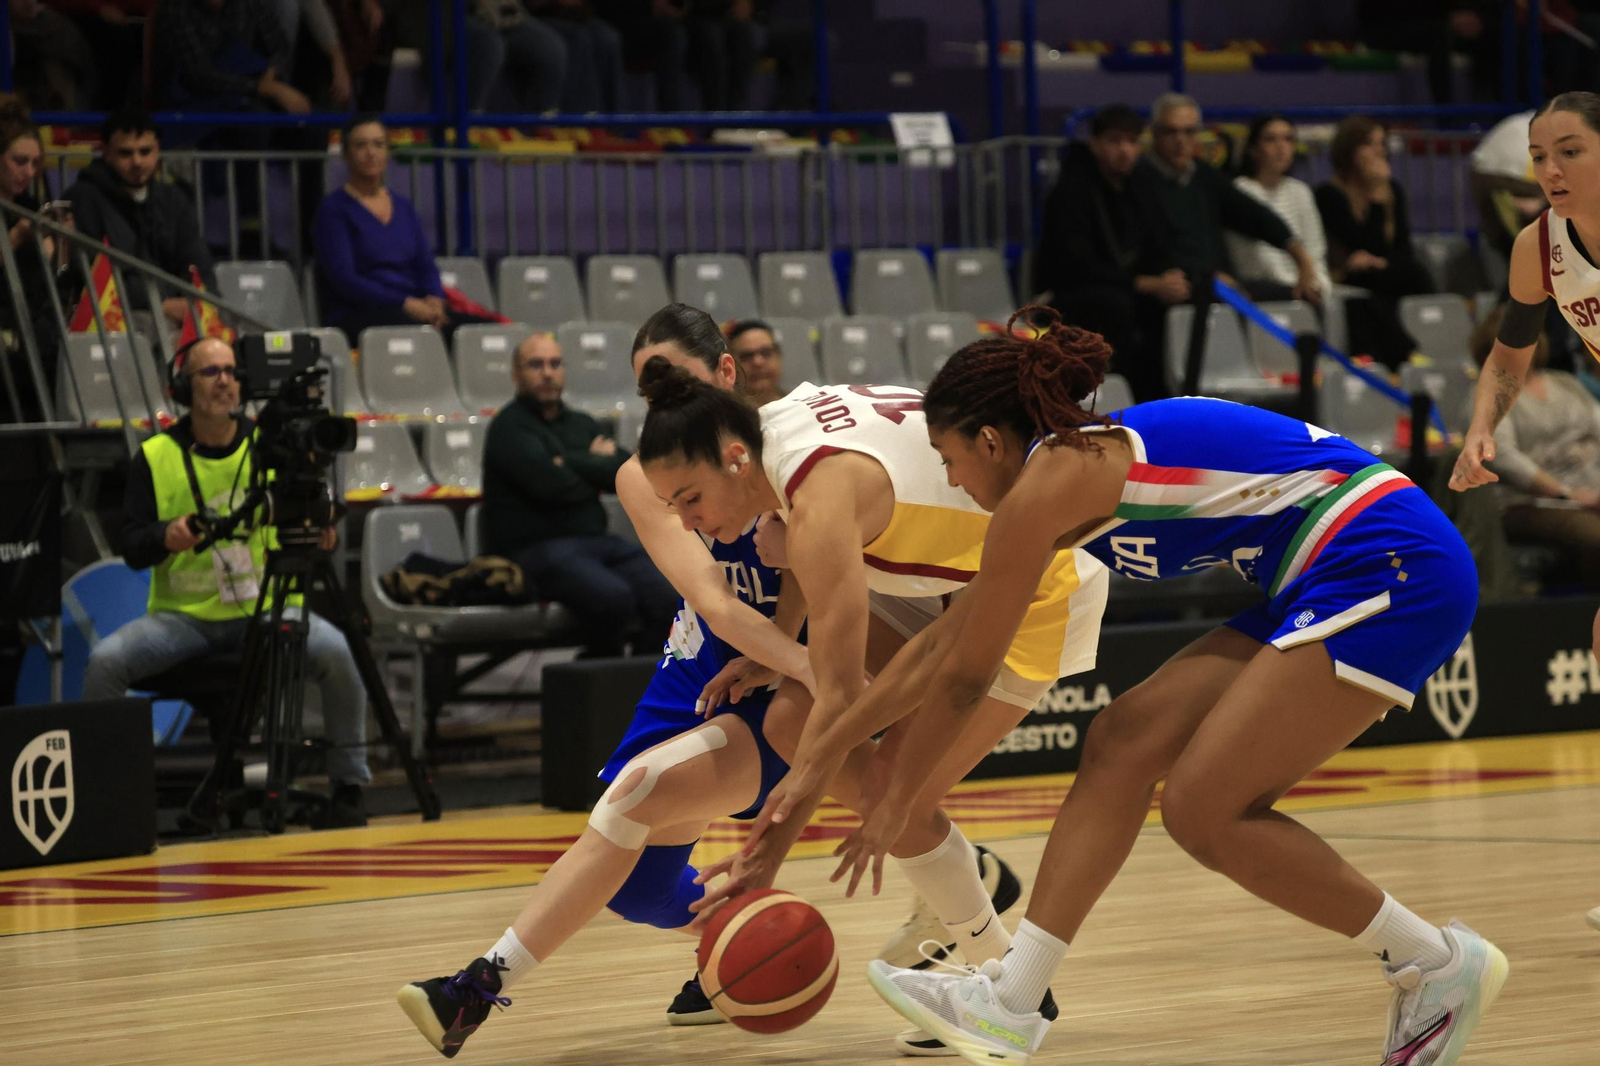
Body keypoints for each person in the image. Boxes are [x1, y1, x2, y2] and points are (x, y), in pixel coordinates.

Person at [758, 308, 1506, 1066]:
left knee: (1203, 810)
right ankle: (1014, 1002)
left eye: (949, 458)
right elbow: (948, 641)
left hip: (1389, 562)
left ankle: (1435, 963)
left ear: (989, 442)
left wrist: (896, 799)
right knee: (1122, 741)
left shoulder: (1051, 482)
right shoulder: (1064, 469)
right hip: (1331, 568)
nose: (950, 478)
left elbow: (963, 679)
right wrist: (829, 751)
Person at [397, 303, 1024, 1059]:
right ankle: (753, 936)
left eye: (673, 378)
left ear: (725, 374)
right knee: (635, 885)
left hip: (800, 656)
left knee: (647, 791)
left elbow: (829, 584)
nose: (661, 399)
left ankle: (476, 989)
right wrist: (791, 659)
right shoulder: (649, 472)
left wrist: (809, 669)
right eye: (646, 387)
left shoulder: (792, 449)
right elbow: (718, 602)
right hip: (717, 656)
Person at [81, 337, 370, 826]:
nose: (225, 382)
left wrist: (320, 530)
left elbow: (307, 513)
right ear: (182, 387)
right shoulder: (154, 456)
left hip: (263, 606)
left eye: (232, 372)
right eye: (210, 373)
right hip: (183, 619)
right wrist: (164, 536)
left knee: (339, 653)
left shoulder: (271, 444)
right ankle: (107, 801)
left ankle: (350, 786)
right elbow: (131, 546)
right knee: (105, 663)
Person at [1452, 96, 1600, 945]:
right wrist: (1482, 427)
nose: (1549, 170)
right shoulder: (1537, 247)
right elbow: (1509, 358)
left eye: (1570, 151)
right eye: (1540, 155)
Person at [482, 331, 678, 657]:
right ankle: (596, 680)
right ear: (516, 374)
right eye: (536, 365)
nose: (547, 372)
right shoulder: (509, 428)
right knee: (613, 598)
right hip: (534, 551)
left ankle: (638, 685)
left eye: (555, 364)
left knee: (669, 596)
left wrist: (568, 460)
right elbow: (551, 485)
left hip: (596, 544)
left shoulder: (580, 423)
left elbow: (624, 473)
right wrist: (592, 463)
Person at [1036, 103, 1182, 403]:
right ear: (1096, 144)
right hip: (1068, 294)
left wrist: (1171, 275)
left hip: (1129, 289)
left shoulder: (1140, 187)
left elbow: (1160, 240)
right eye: (1115, 141)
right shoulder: (1071, 190)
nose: (1125, 150)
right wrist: (1141, 283)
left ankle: (1175, 396)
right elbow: (1075, 265)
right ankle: (1125, 398)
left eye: (1132, 142)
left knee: (1179, 302)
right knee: (1116, 305)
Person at [312, 115, 493, 347]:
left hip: (415, 308)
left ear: (388, 152)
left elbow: (425, 264)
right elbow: (345, 280)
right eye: (361, 145)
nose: (371, 153)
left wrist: (434, 298)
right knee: (420, 332)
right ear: (346, 154)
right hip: (360, 311)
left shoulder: (403, 206)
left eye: (378, 144)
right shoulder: (334, 210)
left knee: (485, 332)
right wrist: (405, 303)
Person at [1140, 92, 1323, 305]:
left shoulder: (1205, 176)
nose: (1180, 140)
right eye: (1171, 132)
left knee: (1304, 298)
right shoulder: (1139, 180)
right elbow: (1162, 250)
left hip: (1217, 284)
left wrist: (1299, 255)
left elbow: (1255, 215)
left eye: (1189, 132)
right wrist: (1205, 276)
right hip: (1173, 286)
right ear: (1154, 133)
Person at [1466, 303, 1600, 590]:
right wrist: (1567, 494)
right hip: (1529, 503)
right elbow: (1505, 458)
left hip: (1591, 491)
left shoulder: (1565, 383)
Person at [66, 109, 216, 334]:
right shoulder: (83, 199)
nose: (137, 162)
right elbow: (94, 273)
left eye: (145, 151)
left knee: (225, 327)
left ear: (158, 149)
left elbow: (197, 264)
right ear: (106, 153)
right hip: (116, 314)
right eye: (126, 153)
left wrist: (199, 303)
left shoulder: (173, 199)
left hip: (175, 310)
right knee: (153, 329)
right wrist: (160, 305)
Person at [1315, 115, 1435, 368]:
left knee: (1416, 274)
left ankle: (1432, 352)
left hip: (1384, 272)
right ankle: (1402, 354)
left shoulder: (1393, 190)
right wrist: (1376, 199)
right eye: (1370, 144)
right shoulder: (1329, 196)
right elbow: (1359, 245)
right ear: (1350, 150)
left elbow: (1401, 248)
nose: (1379, 151)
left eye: (1382, 143)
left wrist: (1381, 195)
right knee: (1367, 285)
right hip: (1345, 277)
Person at [0, 95, 69, 423]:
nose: (28, 171)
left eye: (35, 163)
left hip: (32, 324)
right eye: (19, 161)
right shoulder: (21, 221)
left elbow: (54, 281)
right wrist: (14, 238)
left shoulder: (31, 207)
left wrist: (59, 248)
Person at [1228, 113, 1333, 303]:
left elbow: (1316, 253)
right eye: (1271, 139)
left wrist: (1317, 284)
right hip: (1263, 289)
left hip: (1304, 288)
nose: (1281, 147)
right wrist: (1297, 287)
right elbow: (1253, 262)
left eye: (1288, 139)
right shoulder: (1240, 191)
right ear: (1253, 149)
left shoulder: (1301, 191)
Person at [727, 318, 786, 406]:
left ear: (779, 356)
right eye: (746, 356)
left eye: (766, 353)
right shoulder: (726, 417)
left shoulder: (801, 405)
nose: (757, 362)